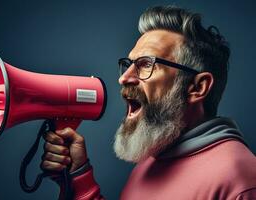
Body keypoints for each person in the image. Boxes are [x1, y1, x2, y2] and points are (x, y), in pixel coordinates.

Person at [41, 5, 256, 200]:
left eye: (146, 64)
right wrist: (79, 177)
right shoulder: (151, 162)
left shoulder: (241, 179)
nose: (124, 77)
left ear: (197, 87)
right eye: (129, 64)